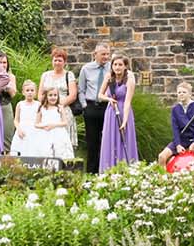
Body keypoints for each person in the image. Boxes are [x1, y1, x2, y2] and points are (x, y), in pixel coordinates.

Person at [98, 53, 139, 170]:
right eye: (115, 64)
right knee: (110, 141)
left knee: (124, 140)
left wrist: (125, 120)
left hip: (124, 111)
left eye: (120, 64)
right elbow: (100, 95)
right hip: (111, 112)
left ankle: (126, 169)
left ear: (125, 66)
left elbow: (127, 102)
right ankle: (109, 169)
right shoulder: (108, 77)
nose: (117, 67)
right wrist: (108, 98)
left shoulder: (129, 79)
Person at [77, 41, 111, 173]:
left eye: (108, 54)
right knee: (92, 142)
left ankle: (106, 170)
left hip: (107, 107)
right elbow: (81, 89)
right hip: (91, 107)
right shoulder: (86, 69)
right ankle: (92, 172)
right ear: (95, 54)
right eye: (103, 54)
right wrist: (85, 106)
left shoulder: (112, 68)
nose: (106, 57)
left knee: (107, 140)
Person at [39, 48, 79, 156]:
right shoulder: (45, 75)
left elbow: (72, 95)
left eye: (60, 60)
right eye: (55, 60)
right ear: (52, 61)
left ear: (64, 62)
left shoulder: (69, 75)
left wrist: (58, 106)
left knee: (63, 144)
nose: (57, 62)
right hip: (47, 111)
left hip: (63, 110)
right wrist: (47, 105)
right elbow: (40, 94)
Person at [159, 82, 194, 165]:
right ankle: (163, 177)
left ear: (190, 94)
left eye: (184, 92)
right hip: (181, 140)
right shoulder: (175, 109)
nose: (181, 94)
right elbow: (175, 129)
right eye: (179, 92)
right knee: (161, 157)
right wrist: (178, 145)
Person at [10, 79, 48, 160]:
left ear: (35, 92)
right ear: (23, 92)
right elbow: (16, 120)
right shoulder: (20, 104)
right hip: (22, 130)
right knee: (21, 149)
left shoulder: (38, 105)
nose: (30, 92)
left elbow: (41, 119)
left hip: (35, 130)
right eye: (27, 90)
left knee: (34, 150)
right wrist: (18, 129)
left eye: (32, 90)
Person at [36, 87, 76, 164]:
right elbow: (36, 124)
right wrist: (44, 126)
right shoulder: (42, 108)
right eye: (50, 95)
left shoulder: (59, 108)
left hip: (59, 133)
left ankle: (61, 168)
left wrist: (53, 125)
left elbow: (65, 122)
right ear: (46, 97)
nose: (53, 97)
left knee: (60, 151)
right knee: (46, 152)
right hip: (45, 133)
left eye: (55, 95)